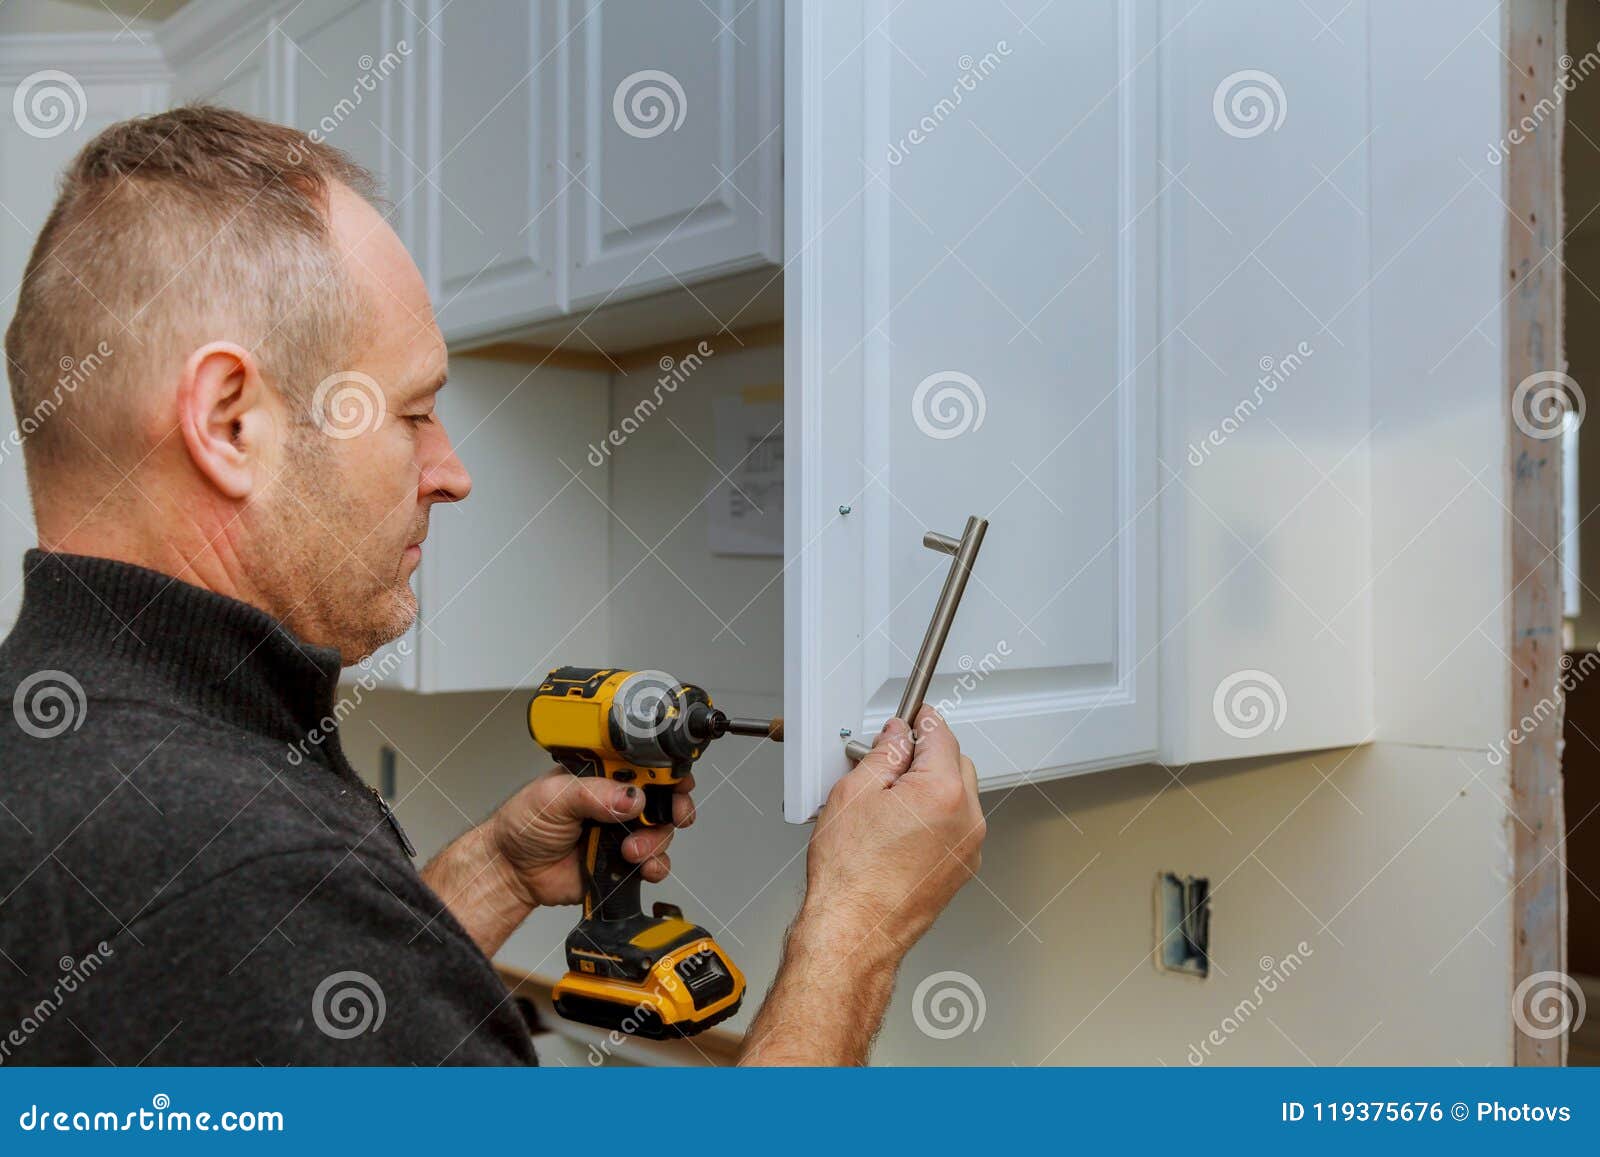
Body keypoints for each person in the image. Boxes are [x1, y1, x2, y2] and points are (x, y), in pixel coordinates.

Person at [0, 106, 985, 1065]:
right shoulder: (245, 865)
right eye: (414, 412)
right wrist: (857, 926)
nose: (451, 470)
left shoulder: (61, 740)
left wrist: (489, 875)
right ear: (230, 423)